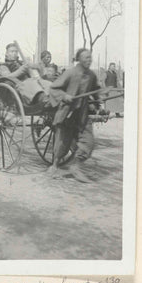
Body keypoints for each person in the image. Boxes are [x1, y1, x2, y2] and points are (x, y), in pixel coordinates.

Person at [49, 48, 102, 183]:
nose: (88, 60)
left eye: (90, 58)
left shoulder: (92, 75)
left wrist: (97, 104)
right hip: (67, 112)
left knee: (88, 141)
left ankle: (75, 166)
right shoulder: (70, 73)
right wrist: (64, 95)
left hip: (82, 113)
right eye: (85, 58)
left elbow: (96, 91)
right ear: (79, 59)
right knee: (63, 141)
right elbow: (54, 88)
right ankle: (54, 166)